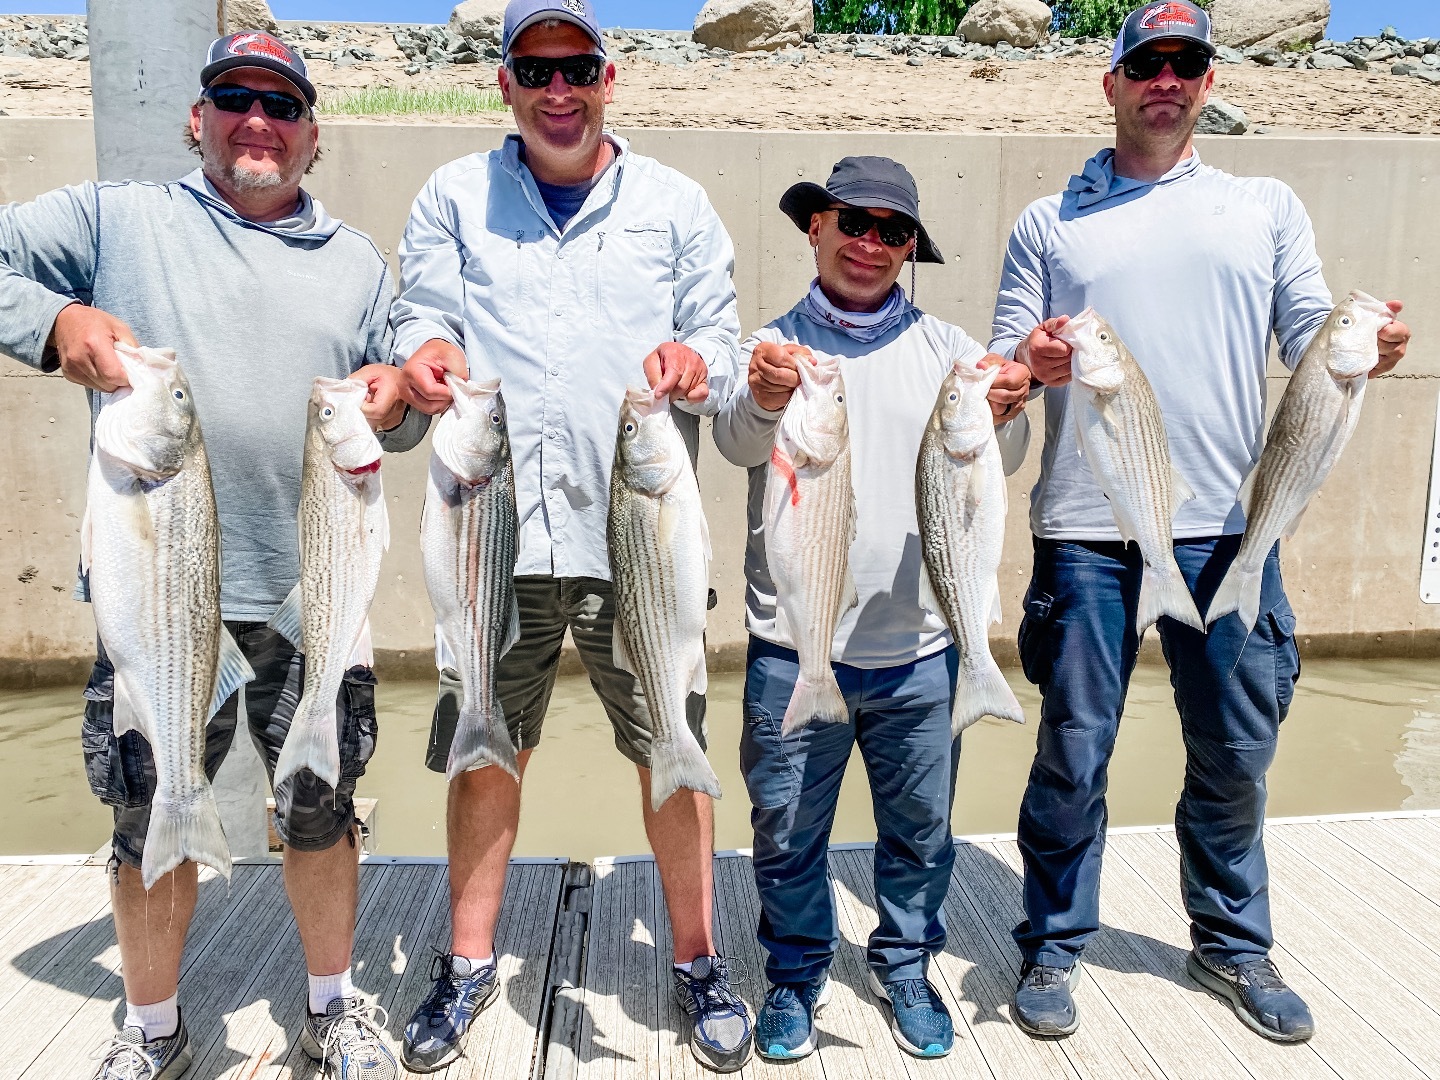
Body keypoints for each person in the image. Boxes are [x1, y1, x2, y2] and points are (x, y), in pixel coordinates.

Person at [0, 31, 422, 1080]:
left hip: (313, 593)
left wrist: (402, 393)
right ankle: (153, 1031)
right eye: (235, 97)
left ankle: (331, 1008)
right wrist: (54, 317)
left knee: (322, 809)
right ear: (199, 118)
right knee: (147, 810)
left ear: (313, 134)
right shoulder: (112, 217)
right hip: (157, 600)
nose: (258, 121)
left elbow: (406, 405)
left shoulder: (360, 263)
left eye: (282, 105)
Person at [989, 0, 1412, 1045]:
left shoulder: (1263, 205)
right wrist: (1026, 365)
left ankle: (1230, 941)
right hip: (1087, 532)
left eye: (1185, 63)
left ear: (1209, 82)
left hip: (1228, 529)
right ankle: (1053, 940)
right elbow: (1006, 359)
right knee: (1074, 749)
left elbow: (1315, 331)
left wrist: (1368, 344)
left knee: (1234, 746)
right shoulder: (1051, 220)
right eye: (1147, 63)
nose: (1165, 80)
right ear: (1114, 83)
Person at [390, 0, 752, 1072]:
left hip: (636, 540)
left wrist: (699, 363)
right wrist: (426, 349)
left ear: (609, 77)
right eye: (535, 69)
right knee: (486, 751)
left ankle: (696, 960)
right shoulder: (454, 195)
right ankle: (464, 965)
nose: (559, 90)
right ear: (503, 81)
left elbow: (721, 338)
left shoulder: (676, 203)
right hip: (496, 526)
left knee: (672, 755)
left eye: (578, 67)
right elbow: (419, 311)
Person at [712, 156, 1031, 1062]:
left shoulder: (952, 352)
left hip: (923, 652)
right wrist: (768, 393)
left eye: (893, 231)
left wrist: (1010, 409)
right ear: (815, 227)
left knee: (921, 832)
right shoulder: (769, 346)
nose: (870, 243)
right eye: (853, 221)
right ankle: (797, 973)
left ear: (910, 251)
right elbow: (737, 438)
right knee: (783, 828)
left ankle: (904, 965)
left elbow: (999, 466)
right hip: (793, 646)